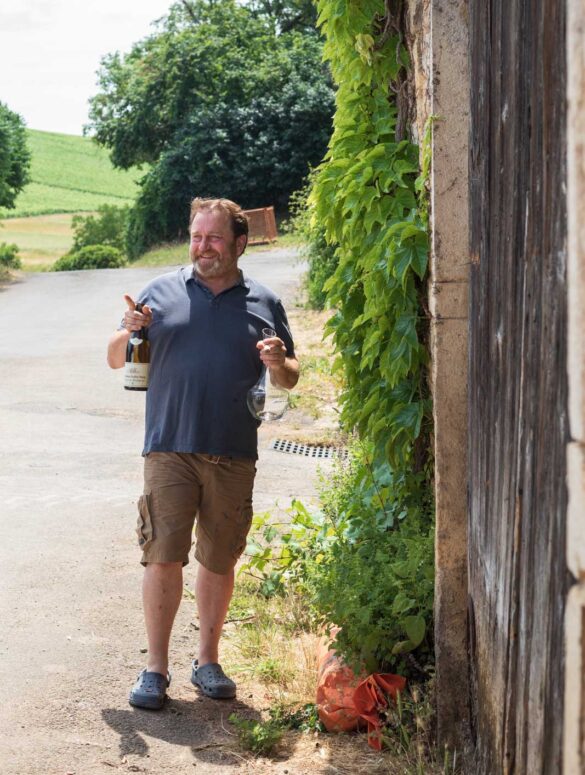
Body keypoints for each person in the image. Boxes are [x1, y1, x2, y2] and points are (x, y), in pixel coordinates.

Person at [107, 197, 299, 709]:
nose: (202, 247)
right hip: (169, 445)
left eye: (214, 238)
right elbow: (111, 357)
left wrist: (279, 362)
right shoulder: (160, 292)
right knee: (162, 555)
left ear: (240, 243)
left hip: (234, 449)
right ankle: (155, 669)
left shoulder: (264, 301)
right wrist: (129, 328)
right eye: (196, 236)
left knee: (218, 558)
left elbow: (291, 377)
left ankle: (208, 662)